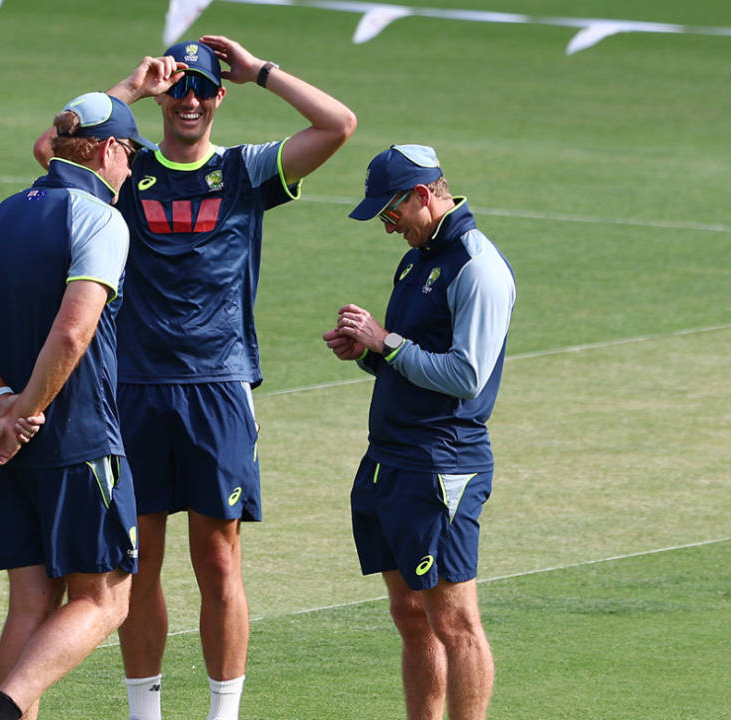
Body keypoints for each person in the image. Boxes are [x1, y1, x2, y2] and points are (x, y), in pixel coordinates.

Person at [33, 36, 355, 720]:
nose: (188, 101)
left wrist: (262, 69)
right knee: (140, 562)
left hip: (219, 384)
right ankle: (145, 714)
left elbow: (338, 125)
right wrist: (129, 87)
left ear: (219, 95)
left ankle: (222, 713)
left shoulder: (245, 171)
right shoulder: (127, 169)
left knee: (218, 560)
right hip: (135, 387)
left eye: (201, 88)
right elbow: (51, 149)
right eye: (177, 89)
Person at [0, 91, 154, 720]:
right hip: (77, 437)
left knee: (30, 605)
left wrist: (3, 406)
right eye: (131, 154)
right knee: (105, 600)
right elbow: (73, 330)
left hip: (4, 439)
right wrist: (28, 415)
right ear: (110, 149)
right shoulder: (100, 219)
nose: (131, 170)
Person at [323, 144, 515, 720]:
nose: (388, 227)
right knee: (410, 613)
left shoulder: (477, 267)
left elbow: (465, 376)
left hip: (442, 463)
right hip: (391, 458)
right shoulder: (419, 256)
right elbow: (410, 355)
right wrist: (368, 352)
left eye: (391, 213)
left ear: (423, 195)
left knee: (455, 623)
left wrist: (388, 343)